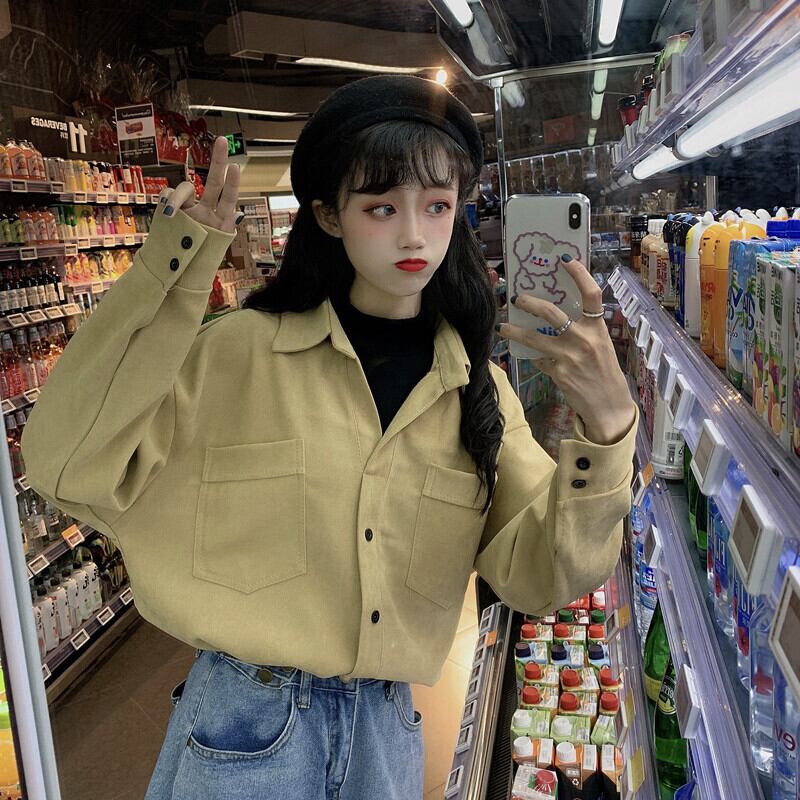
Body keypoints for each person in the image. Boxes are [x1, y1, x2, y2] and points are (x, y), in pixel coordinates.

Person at [20, 75, 637, 799]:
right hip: (244, 728)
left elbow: (541, 576)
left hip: (386, 734)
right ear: (328, 215)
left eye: (438, 205)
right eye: (381, 207)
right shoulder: (237, 355)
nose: (415, 234)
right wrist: (174, 269)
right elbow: (67, 465)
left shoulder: (477, 392)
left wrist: (608, 430)